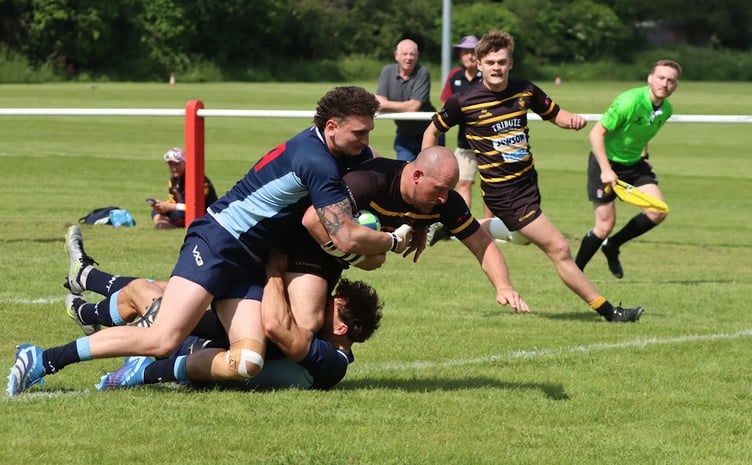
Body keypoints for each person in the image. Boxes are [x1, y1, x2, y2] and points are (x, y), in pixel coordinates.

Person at [7, 86, 413, 397]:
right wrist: (394, 241)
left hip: (250, 260)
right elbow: (344, 234)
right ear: (332, 127)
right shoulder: (316, 161)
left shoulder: (331, 150)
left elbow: (386, 171)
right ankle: (43, 359)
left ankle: (142, 366)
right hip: (220, 242)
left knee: (248, 361)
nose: (365, 140)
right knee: (162, 338)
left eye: (369, 131)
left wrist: (424, 211)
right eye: (359, 132)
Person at [422, 30, 644, 323]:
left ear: (510, 63)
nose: (497, 67)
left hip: (528, 184)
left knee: (521, 238)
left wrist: (571, 121)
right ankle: (610, 312)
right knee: (559, 248)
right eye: (490, 62)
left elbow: (555, 113)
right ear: (479, 63)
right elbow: (432, 130)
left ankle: (456, 227)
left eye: (502, 62)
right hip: (503, 193)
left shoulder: (524, 90)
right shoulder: (463, 101)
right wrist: (428, 167)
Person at [63, 247, 382, 391]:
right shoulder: (326, 348)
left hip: (201, 354)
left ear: (341, 327)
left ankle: (86, 300)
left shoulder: (333, 361)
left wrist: (274, 271)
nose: (320, 303)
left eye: (330, 305)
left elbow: (276, 325)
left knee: (147, 293)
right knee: (164, 291)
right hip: (218, 343)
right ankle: (86, 296)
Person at [303, 145, 530, 314]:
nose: (443, 198)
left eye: (448, 190)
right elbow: (314, 220)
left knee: (315, 321)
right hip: (307, 244)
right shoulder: (371, 181)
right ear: (417, 176)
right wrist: (360, 259)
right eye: (439, 189)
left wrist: (504, 287)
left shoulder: (445, 202)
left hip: (335, 255)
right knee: (309, 320)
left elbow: (482, 244)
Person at [574, 60, 682, 279]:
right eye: (661, 78)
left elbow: (641, 133)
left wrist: (644, 155)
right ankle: (575, 272)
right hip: (605, 162)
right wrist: (606, 169)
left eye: (670, 81)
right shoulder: (629, 101)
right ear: (650, 78)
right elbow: (595, 134)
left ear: (675, 86)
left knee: (658, 212)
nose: (665, 84)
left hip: (634, 164)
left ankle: (613, 245)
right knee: (605, 225)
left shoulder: (666, 110)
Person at [427, 34, 489, 245]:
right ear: (460, 55)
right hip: (465, 144)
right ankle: (462, 226)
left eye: (473, 52)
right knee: (463, 183)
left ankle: (490, 226)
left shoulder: (487, 74)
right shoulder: (454, 76)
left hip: (489, 143)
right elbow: (446, 104)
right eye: (465, 52)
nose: (469, 56)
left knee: (489, 187)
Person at [376, 39, 443, 162]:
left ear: (417, 56)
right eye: (405, 54)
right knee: (404, 170)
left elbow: (414, 106)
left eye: (412, 54)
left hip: (430, 132)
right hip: (404, 135)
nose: (409, 58)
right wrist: (387, 104)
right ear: (396, 55)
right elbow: (379, 103)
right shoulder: (387, 71)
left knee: (432, 171)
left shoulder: (422, 72)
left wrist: (386, 104)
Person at [150, 147, 219, 229]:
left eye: (177, 164)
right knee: (155, 211)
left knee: (177, 214)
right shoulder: (173, 180)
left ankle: (167, 223)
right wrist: (161, 205)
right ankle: (163, 223)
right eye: (171, 165)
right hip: (183, 209)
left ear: (185, 163)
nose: (174, 168)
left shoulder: (197, 179)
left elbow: (195, 206)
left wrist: (171, 207)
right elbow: (172, 201)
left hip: (204, 212)